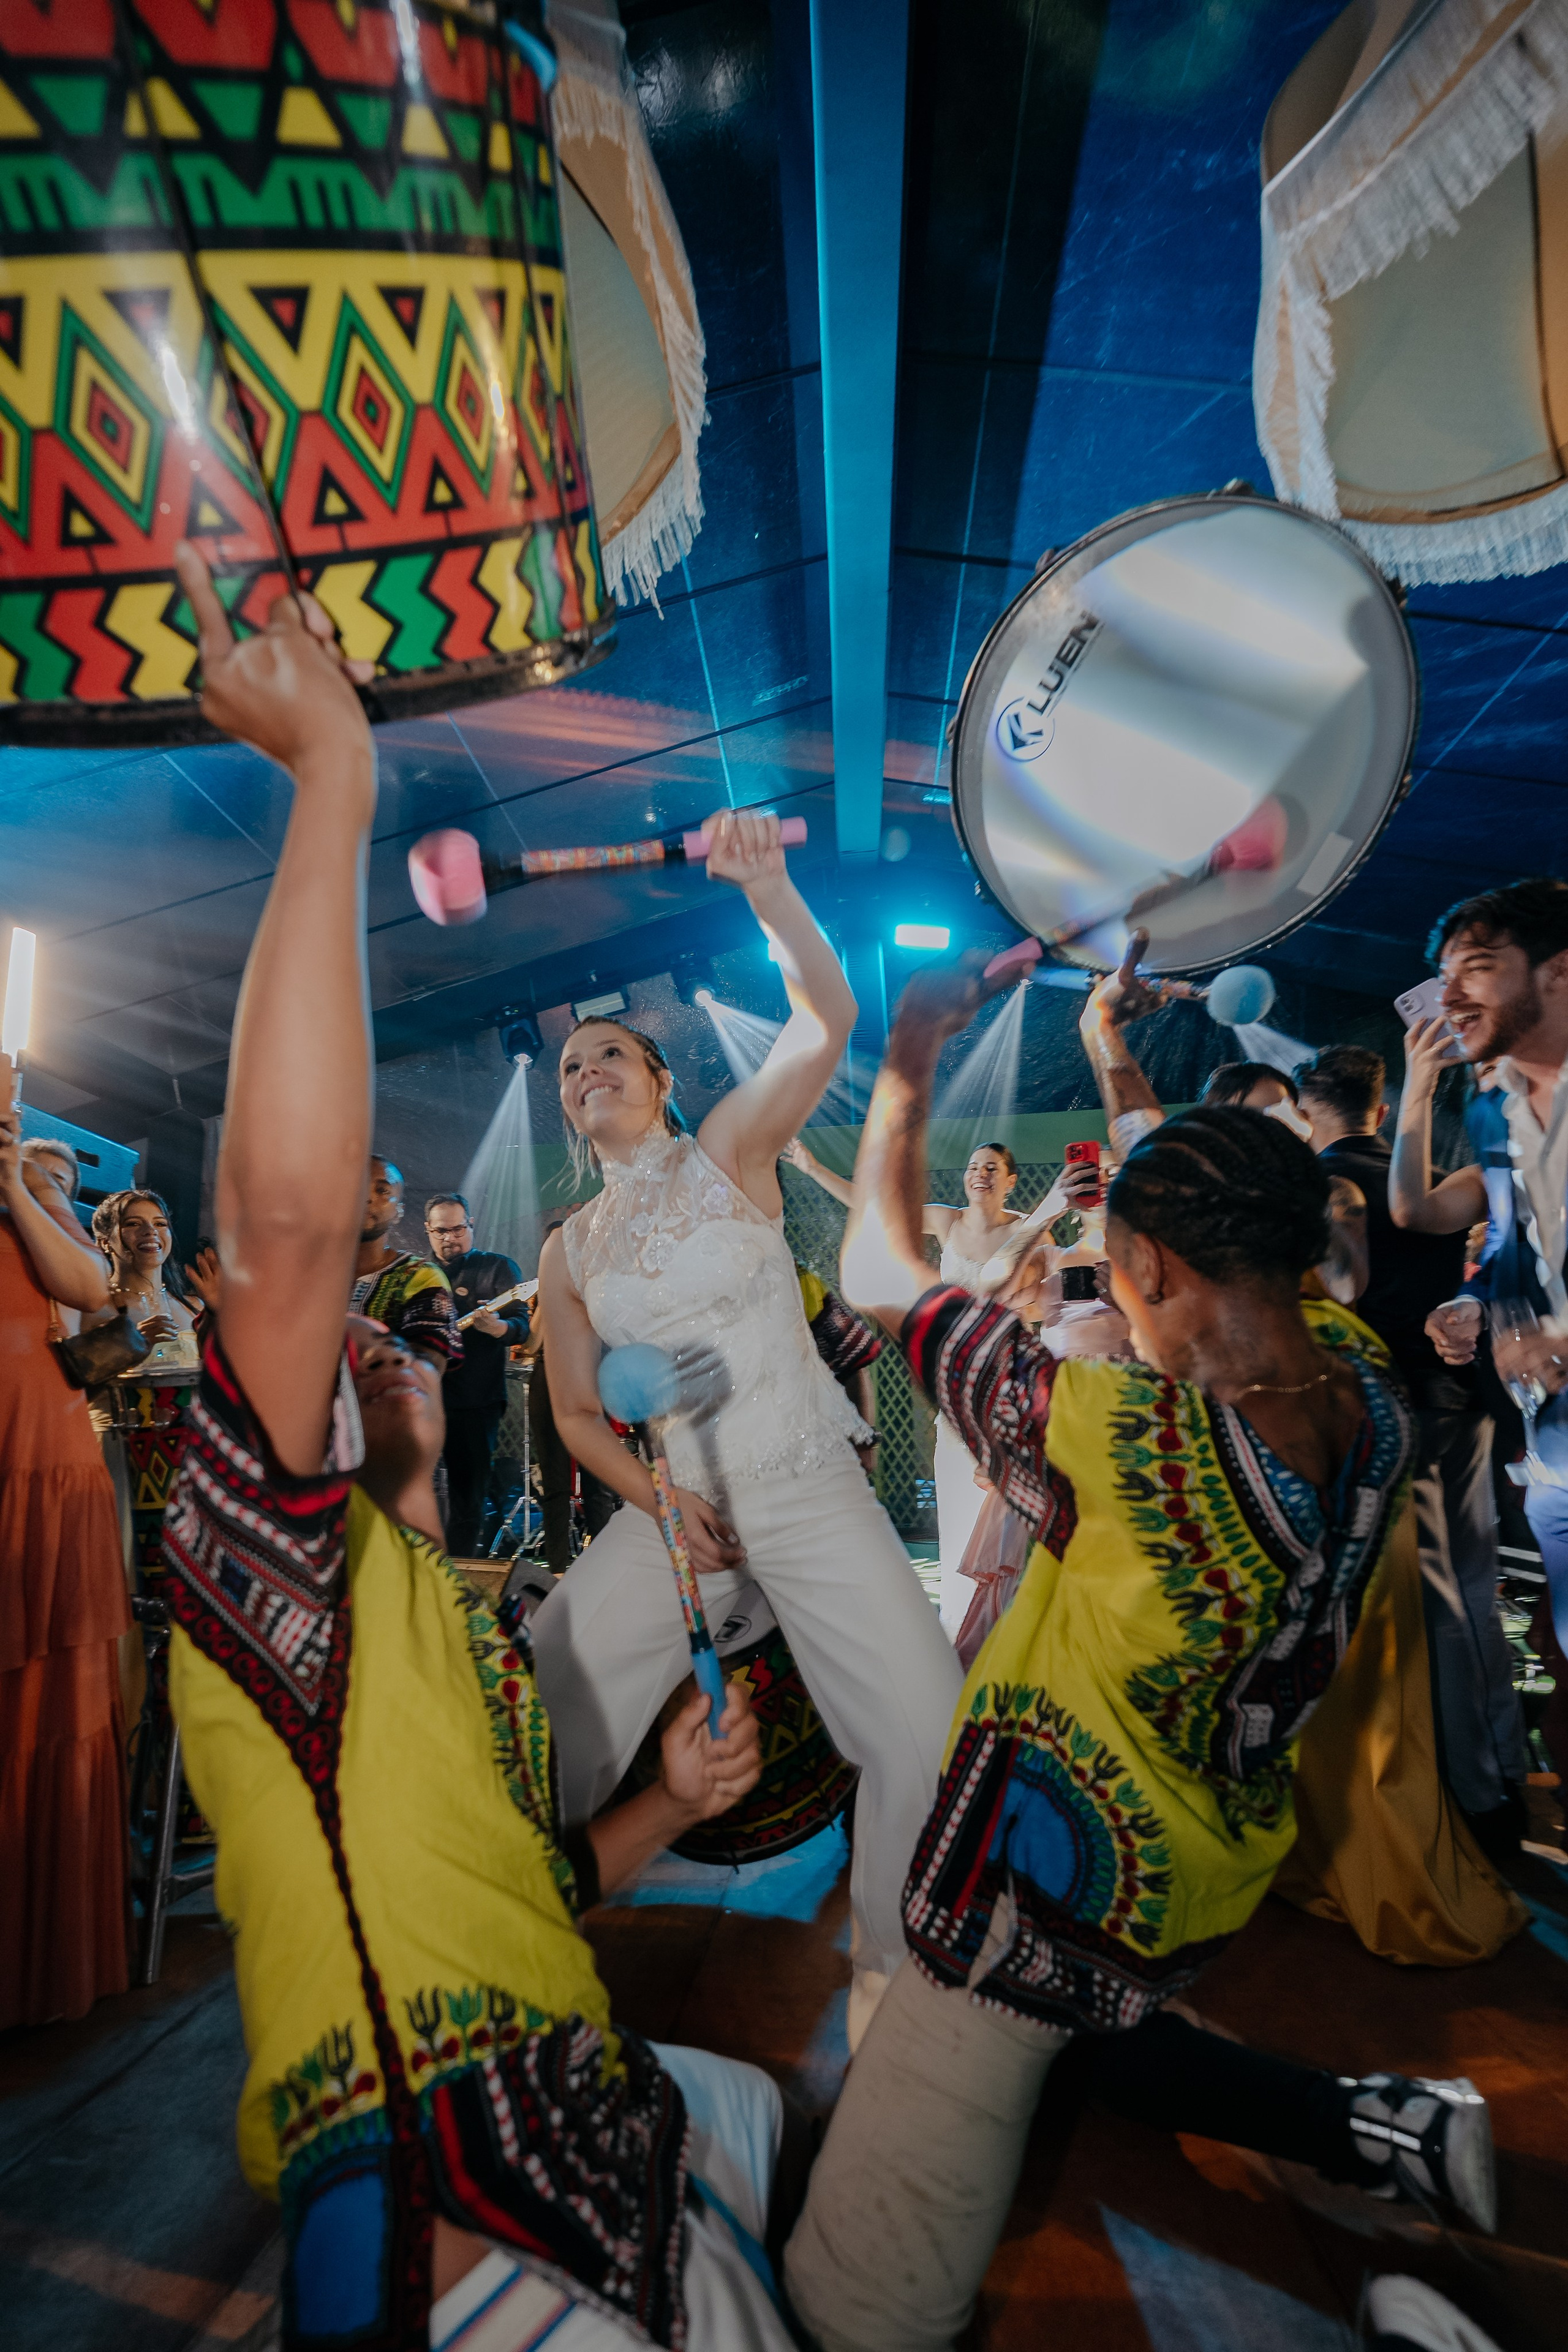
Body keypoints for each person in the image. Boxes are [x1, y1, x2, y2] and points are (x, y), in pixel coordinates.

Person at [160, 543, 797, 2351]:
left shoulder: (452, 1613)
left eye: (380, 1309)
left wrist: (669, 1805)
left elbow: (535, 1883)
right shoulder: (267, 1570)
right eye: (327, 1325)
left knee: (756, 2109)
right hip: (450, 2192)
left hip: (585, 2104)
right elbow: (288, 1228)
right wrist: (329, 782)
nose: (362, 1320)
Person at [782, 949, 1494, 2352]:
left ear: (1150, 1267)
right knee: (1085, 2041)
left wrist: (911, 1049)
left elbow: (876, 1274)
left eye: (1118, 1267)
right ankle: (1372, 2127)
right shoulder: (1363, 1387)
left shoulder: (1117, 1437)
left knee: (854, 2295)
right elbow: (1187, 1194)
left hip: (1029, 1895)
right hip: (1199, 1870)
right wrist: (1108, 1044)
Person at [529, 824, 964, 2048]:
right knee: (549, 1682)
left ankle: (892, 1990)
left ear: (662, 1080)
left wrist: (769, 889)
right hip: (681, 1519)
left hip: (810, 1488)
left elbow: (826, 1018)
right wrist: (658, 1500)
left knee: (925, 1734)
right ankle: (515, 1928)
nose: (586, 1071)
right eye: (569, 1066)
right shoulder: (569, 1250)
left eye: (610, 1053)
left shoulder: (727, 1153)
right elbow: (575, 1415)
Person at [1304, 1029, 1531, 1856]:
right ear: (1380, 1107)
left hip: (1390, 1417)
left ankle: (1471, 1797)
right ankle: (1485, 1784)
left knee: (1424, 1606)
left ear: (1307, 1111)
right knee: (1458, 1600)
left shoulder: (1321, 1191)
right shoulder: (1431, 1177)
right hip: (1446, 1407)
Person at [785, 1132, 1084, 1633]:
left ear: (1011, 1181)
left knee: (1003, 1513)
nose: (979, 1174)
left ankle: (1006, 1622)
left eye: (991, 1168)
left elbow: (1041, 1309)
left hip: (1005, 1385)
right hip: (956, 1385)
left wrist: (1018, 1305)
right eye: (973, 1166)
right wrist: (812, 1168)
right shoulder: (947, 1221)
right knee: (959, 1501)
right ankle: (960, 1621)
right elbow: (874, 1208)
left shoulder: (1030, 1231)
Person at [1, 1063, 130, 2031]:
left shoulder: (40, 1204)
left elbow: (90, 1290)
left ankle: (37, 1958)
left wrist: (18, 1182)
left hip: (42, 1468)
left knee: (45, 1707)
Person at [1415, 880, 1568, 1683]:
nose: (1448, 997)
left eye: (1475, 968)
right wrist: (1473, 1302)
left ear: (1558, 972)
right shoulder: (1494, 1112)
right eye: (1445, 976)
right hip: (1554, 1445)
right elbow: (1517, 1246)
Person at [424, 1192, 532, 1557]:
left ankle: (460, 1573)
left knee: (467, 1498)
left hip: (475, 1402)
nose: (450, 1238)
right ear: (428, 1230)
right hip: (422, 1401)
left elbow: (522, 1327)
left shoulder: (497, 1268)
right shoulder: (416, 1273)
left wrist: (497, 1328)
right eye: (441, 1231)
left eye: (458, 1229)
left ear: (471, 1225)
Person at [526, 1208, 620, 1573]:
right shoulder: (544, 1293)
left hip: (589, 1375)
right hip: (547, 1377)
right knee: (554, 1483)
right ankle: (557, 1567)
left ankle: (605, 1565)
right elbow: (531, 1344)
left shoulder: (601, 1285)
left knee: (597, 1478)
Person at [351, 1154, 458, 1366]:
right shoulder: (307, 1271)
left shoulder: (421, 1276)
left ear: (399, 1212)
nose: (367, 1197)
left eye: (382, 1191)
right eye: (358, 1185)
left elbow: (427, 1368)